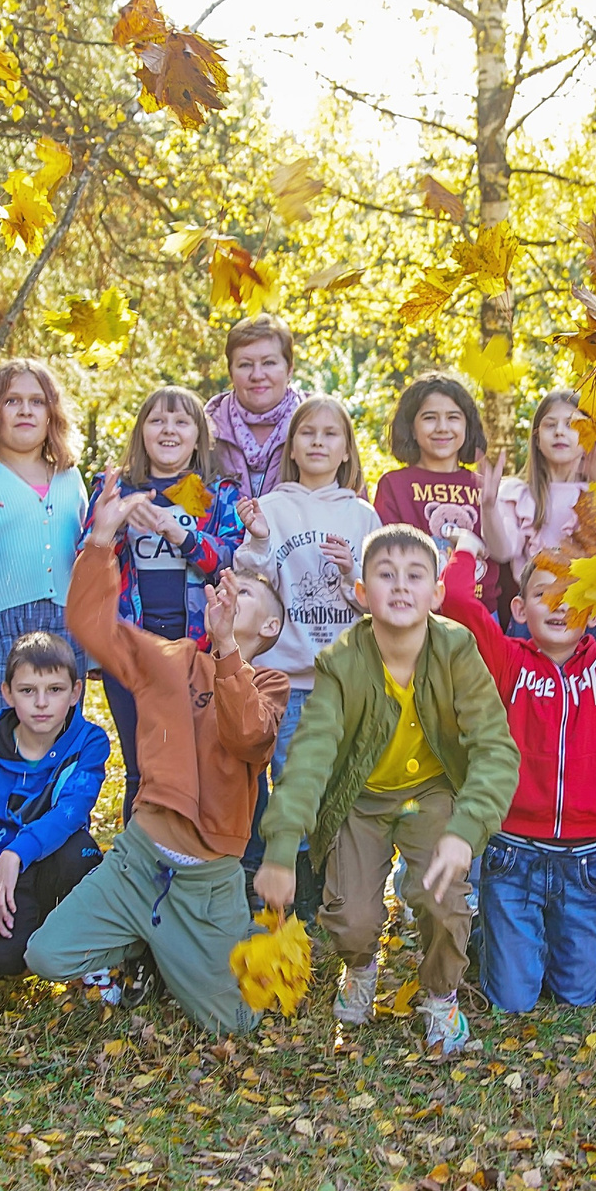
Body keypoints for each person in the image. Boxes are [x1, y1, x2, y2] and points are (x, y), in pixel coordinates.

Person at [30, 483, 289, 1033]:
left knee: (234, 1025)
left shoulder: (269, 683)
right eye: (223, 586)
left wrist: (225, 651)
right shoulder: (168, 661)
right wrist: (101, 541)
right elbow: (92, 627)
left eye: (241, 594)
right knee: (44, 957)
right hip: (137, 862)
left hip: (207, 884)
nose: (225, 593)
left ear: (269, 627)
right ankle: (141, 943)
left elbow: (248, 738)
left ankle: (193, 947)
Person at [258, 524, 516, 1055]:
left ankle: (441, 997)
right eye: (385, 575)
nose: (400, 586)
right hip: (362, 797)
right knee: (351, 919)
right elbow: (310, 757)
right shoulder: (340, 662)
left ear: (437, 593)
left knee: (441, 898)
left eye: (415, 575)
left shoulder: (457, 649)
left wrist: (464, 830)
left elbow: (496, 747)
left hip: (433, 791)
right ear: (361, 592)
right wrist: (282, 850)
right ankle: (360, 967)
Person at [436, 530, 596, 1013]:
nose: (559, 607)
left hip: (583, 858)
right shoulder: (508, 663)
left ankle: (515, 942)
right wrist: (467, 551)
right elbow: (457, 603)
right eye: (543, 596)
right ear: (520, 610)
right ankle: (490, 936)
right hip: (513, 852)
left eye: (574, 596)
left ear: (595, 610)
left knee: (577, 998)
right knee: (513, 1001)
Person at [234, 393, 377, 918]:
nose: (318, 442)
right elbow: (252, 585)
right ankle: (290, 889)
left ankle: (333, 880)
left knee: (340, 780)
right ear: (292, 446)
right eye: (308, 433)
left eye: (330, 434)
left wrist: (348, 573)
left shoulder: (362, 515)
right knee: (291, 783)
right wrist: (257, 540)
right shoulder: (273, 507)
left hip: (344, 681)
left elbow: (375, 599)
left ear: (345, 450)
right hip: (286, 677)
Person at [100, 385, 247, 816]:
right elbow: (88, 558)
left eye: (181, 421)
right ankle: (139, 873)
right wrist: (114, 523)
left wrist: (177, 532)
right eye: (157, 420)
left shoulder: (217, 494)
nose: (169, 430)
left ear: (199, 435)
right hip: (129, 646)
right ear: (141, 431)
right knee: (140, 768)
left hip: (196, 649)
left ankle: (196, 870)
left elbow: (227, 559)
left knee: (196, 765)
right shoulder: (117, 488)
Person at [0, 358, 89, 735]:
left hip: (64, 623)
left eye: (37, 401)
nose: (25, 410)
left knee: (61, 740)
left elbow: (84, 554)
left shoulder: (69, 477)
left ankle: (58, 798)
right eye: (12, 401)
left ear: (50, 414)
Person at [0, 632, 111, 981]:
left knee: (81, 852)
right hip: (7, 876)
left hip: (58, 861)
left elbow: (71, 810)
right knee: (3, 959)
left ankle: (88, 950)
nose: (41, 702)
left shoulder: (90, 742)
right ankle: (36, 937)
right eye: (28, 691)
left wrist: (16, 852)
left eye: (55, 690)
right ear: (8, 693)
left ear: (75, 692)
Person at [373, 372, 494, 607]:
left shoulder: (483, 486)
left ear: (468, 426)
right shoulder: (395, 486)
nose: (442, 427)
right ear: (411, 428)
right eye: (430, 418)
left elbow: (501, 553)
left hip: (481, 612)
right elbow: (387, 555)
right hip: (419, 613)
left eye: (453, 417)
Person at [482, 388, 596, 610]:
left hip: (583, 613)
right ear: (537, 439)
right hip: (531, 613)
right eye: (550, 425)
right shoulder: (518, 495)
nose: (560, 431)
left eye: (571, 424)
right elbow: (502, 551)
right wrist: (489, 507)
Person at [207, 313, 303, 498]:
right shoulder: (205, 430)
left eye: (268, 363)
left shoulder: (321, 426)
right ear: (230, 372)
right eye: (245, 365)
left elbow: (352, 504)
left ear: (289, 369)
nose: (257, 375)